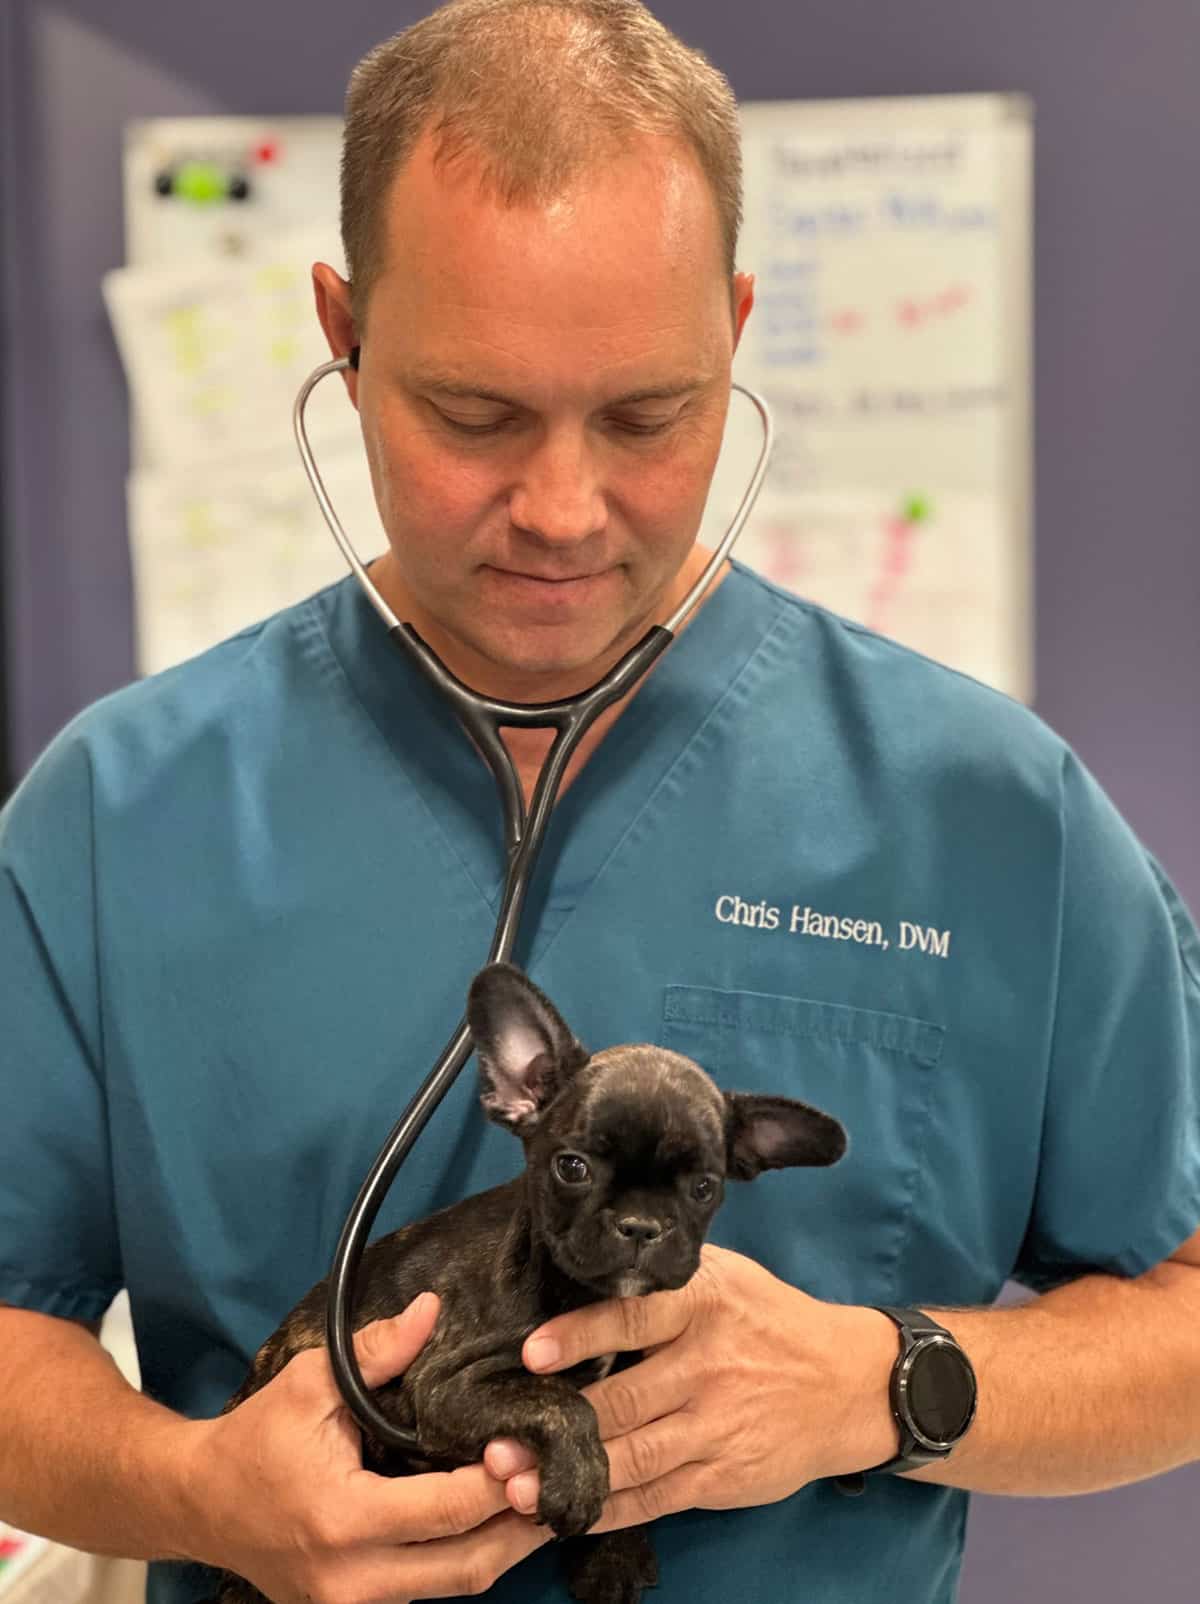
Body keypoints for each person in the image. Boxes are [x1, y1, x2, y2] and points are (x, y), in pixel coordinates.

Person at [2, 1, 1199, 1601]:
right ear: (342, 338)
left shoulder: (991, 812)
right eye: (473, 416)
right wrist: (193, 1490)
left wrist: (883, 1387)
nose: (563, 511)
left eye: (646, 415)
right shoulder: (118, 812)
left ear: (738, 332)